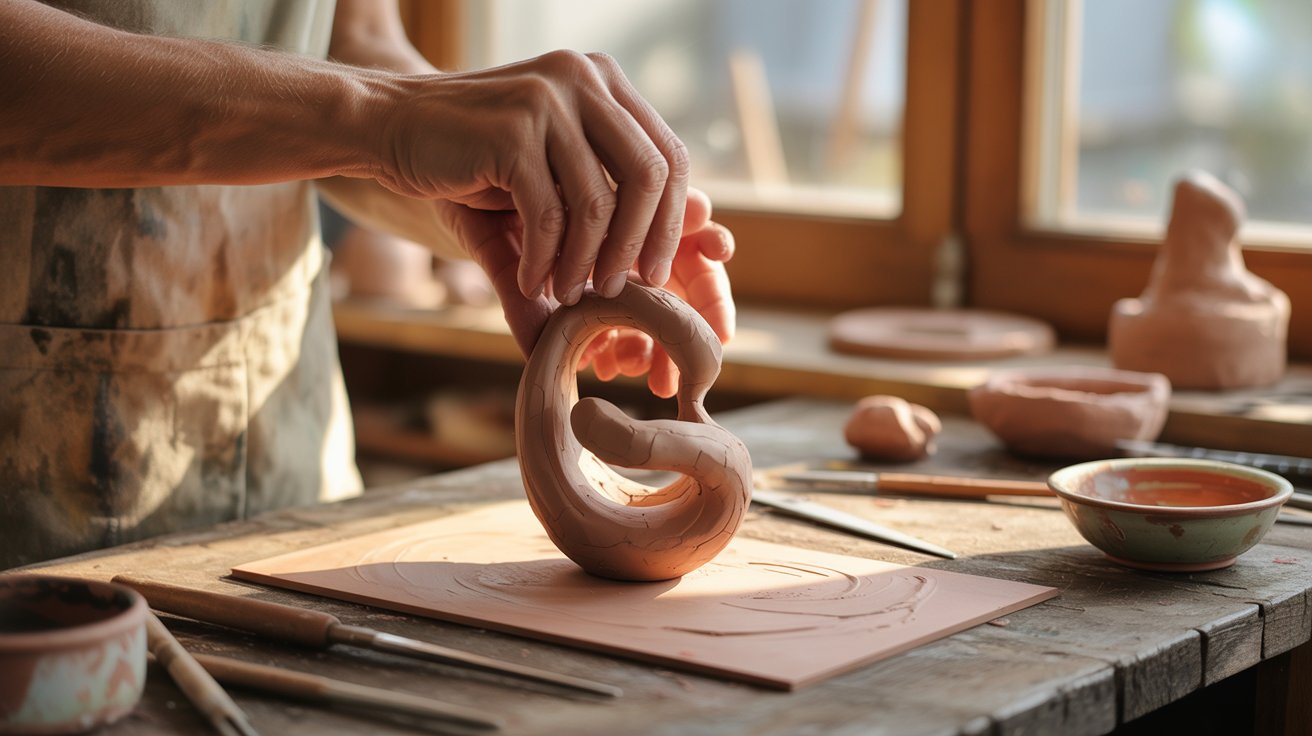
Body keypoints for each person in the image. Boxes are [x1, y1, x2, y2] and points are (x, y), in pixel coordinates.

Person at [0, 0, 737, 568]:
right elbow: (358, 103)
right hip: (28, 499)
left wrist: (510, 195)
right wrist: (383, 115)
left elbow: (350, 50)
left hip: (286, 466)